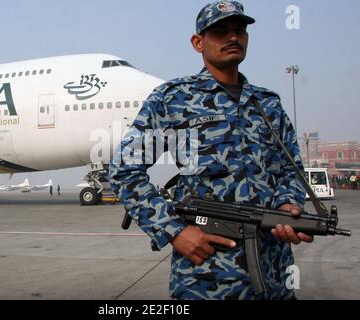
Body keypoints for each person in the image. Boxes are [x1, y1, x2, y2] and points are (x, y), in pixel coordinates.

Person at [110, 1, 313, 300]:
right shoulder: (173, 99)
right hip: (206, 279)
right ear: (198, 43)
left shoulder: (268, 103)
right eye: (220, 31)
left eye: (239, 30)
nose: (233, 37)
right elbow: (124, 171)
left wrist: (286, 207)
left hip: (274, 276)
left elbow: (290, 169)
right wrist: (175, 231)